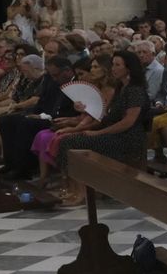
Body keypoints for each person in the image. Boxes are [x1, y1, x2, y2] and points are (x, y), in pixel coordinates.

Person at [47, 51, 152, 205]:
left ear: (128, 68)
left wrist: (98, 132)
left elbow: (128, 122)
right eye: (113, 64)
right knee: (67, 141)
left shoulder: (135, 90)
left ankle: (83, 193)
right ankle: (75, 189)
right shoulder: (120, 88)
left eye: (117, 65)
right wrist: (84, 116)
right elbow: (106, 115)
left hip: (128, 138)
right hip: (113, 134)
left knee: (72, 143)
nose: (113, 68)